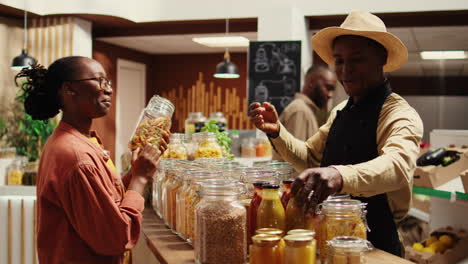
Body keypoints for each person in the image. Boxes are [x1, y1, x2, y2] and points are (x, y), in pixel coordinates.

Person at [249, 10, 423, 256]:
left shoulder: (399, 113)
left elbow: (398, 166)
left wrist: (339, 175)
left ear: (381, 59)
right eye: (339, 61)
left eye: (356, 59)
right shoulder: (341, 110)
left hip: (376, 243)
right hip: (330, 235)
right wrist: (278, 132)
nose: (345, 70)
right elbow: (309, 156)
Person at [16, 56, 170, 264]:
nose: (108, 89)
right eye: (98, 81)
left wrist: (134, 172)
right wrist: (140, 178)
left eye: (108, 82)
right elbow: (116, 237)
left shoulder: (77, 142)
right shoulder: (77, 157)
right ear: (70, 89)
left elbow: (103, 201)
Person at [272, 65, 337, 161]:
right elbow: (295, 160)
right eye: (328, 87)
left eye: (332, 90)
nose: (330, 95)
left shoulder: (306, 110)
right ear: (311, 82)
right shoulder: (300, 111)